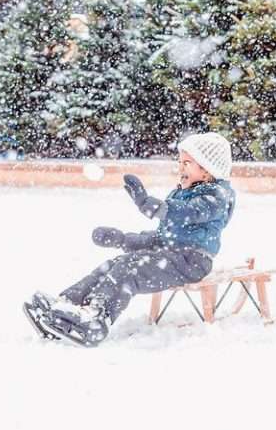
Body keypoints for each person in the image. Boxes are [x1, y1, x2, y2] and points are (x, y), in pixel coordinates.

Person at [24, 132, 236, 347]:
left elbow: (188, 212)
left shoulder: (216, 197)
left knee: (129, 268)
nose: (180, 167)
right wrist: (123, 239)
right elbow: (164, 237)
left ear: (208, 170)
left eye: (187, 163)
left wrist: (156, 207)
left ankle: (96, 319)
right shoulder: (183, 192)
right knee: (113, 265)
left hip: (191, 262)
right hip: (172, 255)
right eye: (180, 162)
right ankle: (67, 304)